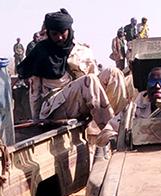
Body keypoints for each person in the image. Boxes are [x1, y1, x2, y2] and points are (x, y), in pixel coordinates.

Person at [18, 10, 115, 150]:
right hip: (54, 107)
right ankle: (110, 134)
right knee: (90, 81)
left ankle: (117, 125)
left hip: (82, 100)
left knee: (113, 73)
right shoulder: (41, 52)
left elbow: (96, 84)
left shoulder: (82, 51)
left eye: (62, 32)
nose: (59, 37)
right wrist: (37, 122)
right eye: (54, 34)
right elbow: (35, 92)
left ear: (69, 30)